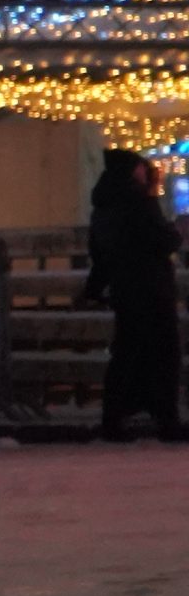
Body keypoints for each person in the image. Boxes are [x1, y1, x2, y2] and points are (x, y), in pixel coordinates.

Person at [83, 149, 183, 442]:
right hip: (152, 291)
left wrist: (94, 287)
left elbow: (100, 254)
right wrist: (177, 231)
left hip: (125, 291)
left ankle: (114, 419)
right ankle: (166, 419)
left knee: (126, 355)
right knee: (163, 355)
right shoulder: (139, 203)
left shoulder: (103, 207)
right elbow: (163, 240)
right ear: (132, 172)